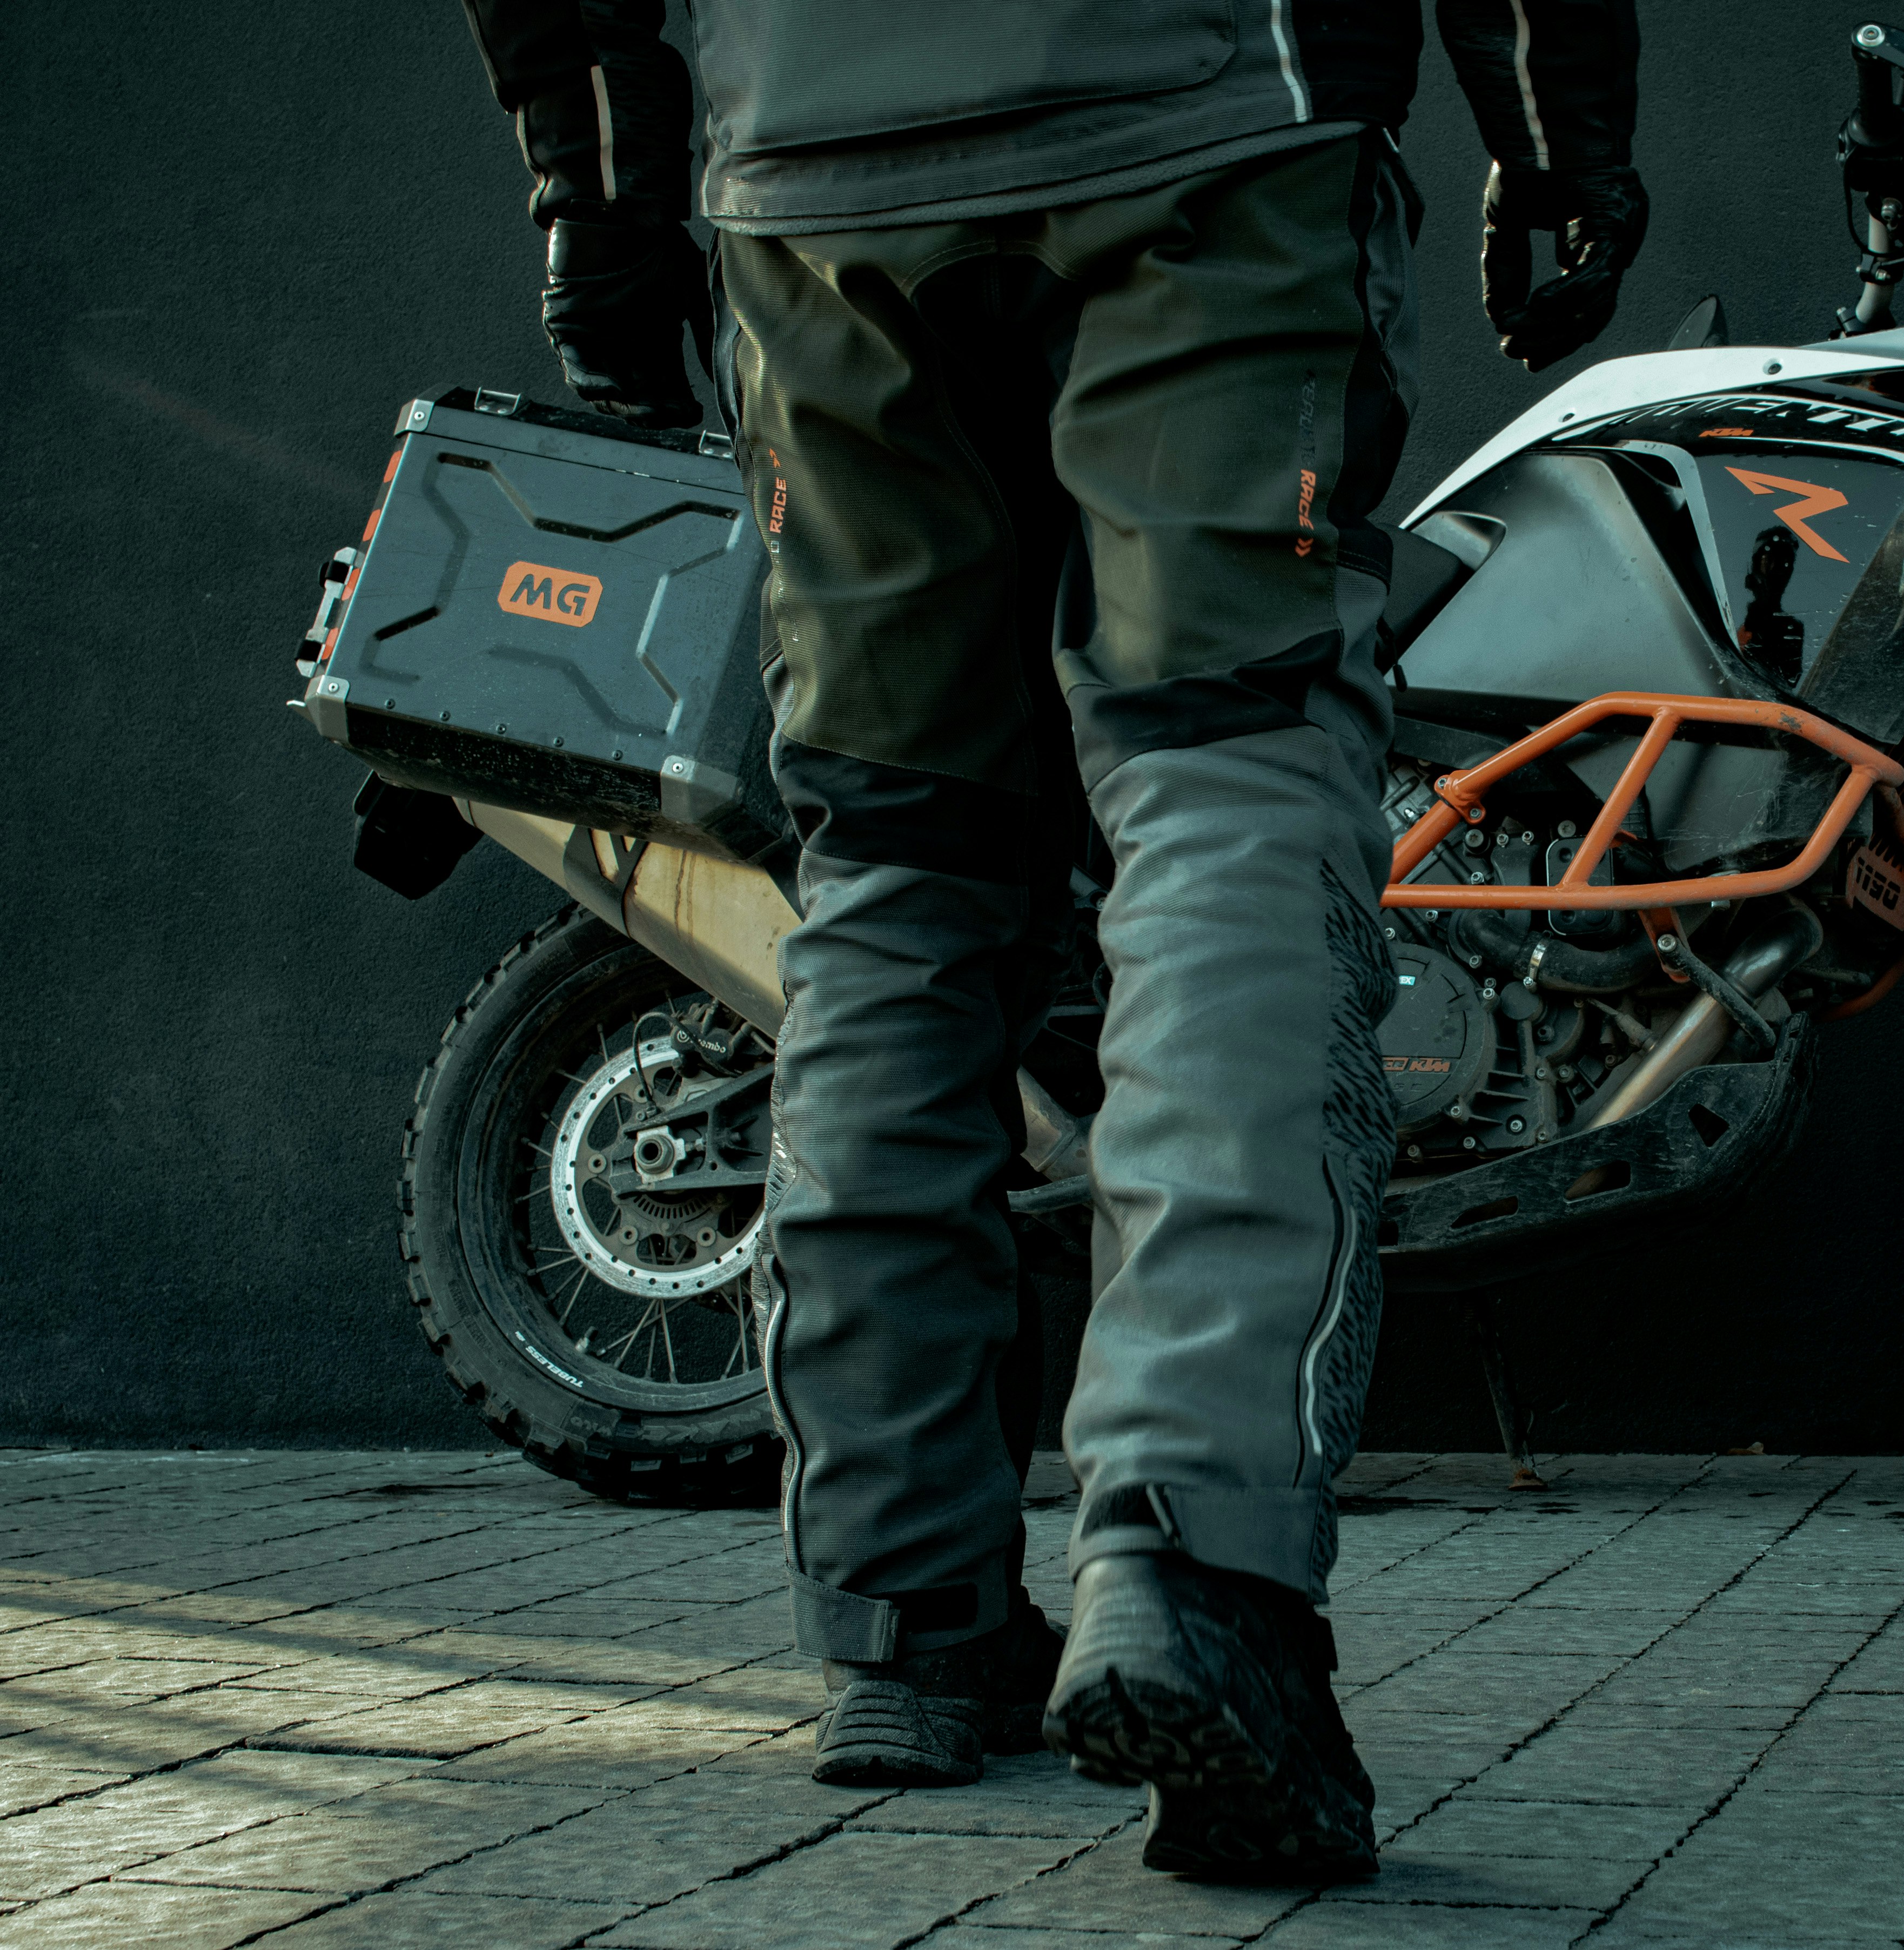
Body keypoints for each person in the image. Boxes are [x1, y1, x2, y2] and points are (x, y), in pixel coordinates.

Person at [456, 0, 1646, 1882]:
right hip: (1208, 109)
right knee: (1228, 783)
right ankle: (1196, 1565)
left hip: (814, 161)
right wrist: (1554, 125)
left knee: (896, 860)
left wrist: (598, 193)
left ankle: (901, 1622)